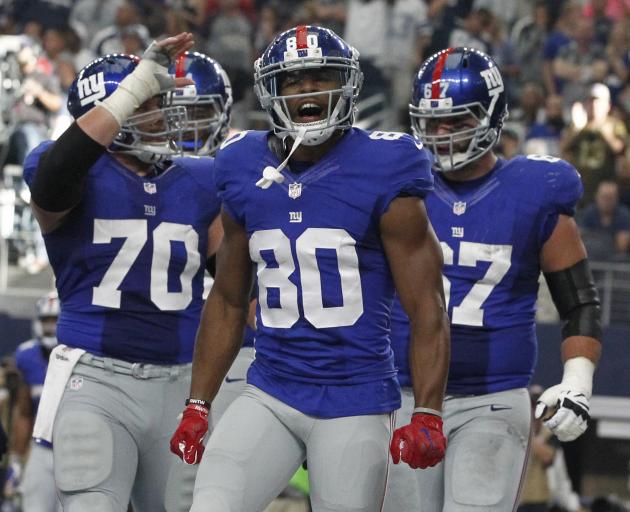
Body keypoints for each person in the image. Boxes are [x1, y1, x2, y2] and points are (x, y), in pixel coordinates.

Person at [170, 24, 450, 512]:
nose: (308, 90)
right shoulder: (240, 163)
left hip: (355, 399)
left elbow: (427, 307)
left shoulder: (386, 164)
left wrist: (427, 410)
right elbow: (230, 298)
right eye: (294, 80)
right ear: (271, 92)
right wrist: (199, 401)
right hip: (272, 389)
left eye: (320, 76)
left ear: (347, 85)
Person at [384, 47, 602, 512]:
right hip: (401, 392)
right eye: (432, 121)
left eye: (456, 121)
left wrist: (577, 382)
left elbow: (579, 300)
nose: (441, 135)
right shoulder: (398, 187)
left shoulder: (534, 191)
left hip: (492, 398)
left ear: (492, 117)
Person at [22, 33, 227, 512]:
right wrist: (132, 88)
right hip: (95, 377)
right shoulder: (63, 169)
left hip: (183, 382)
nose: (162, 115)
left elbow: (238, 288)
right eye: (148, 103)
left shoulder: (200, 178)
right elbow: (55, 179)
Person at [3, 291, 61, 512]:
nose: (49, 326)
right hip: (42, 447)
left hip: (77, 448)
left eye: (55, 320)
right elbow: (25, 412)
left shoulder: (82, 355)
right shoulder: (26, 356)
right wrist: (17, 460)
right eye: (45, 320)